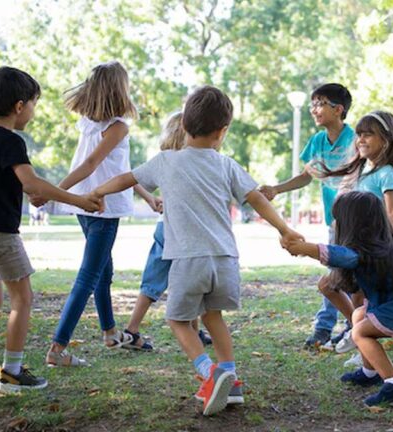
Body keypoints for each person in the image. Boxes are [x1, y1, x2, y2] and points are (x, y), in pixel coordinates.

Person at [91, 85, 303, 415]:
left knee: (177, 320)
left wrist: (98, 192)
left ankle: (210, 372)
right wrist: (285, 229)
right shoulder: (226, 164)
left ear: (184, 125)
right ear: (222, 132)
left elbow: (127, 179)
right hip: (225, 260)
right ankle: (231, 380)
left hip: (188, 259)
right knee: (213, 317)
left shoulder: (166, 161)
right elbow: (257, 198)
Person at [0, 66, 102, 396]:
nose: (33, 110)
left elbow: (13, 185)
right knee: (22, 299)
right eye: (33, 104)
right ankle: (11, 373)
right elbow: (31, 182)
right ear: (19, 106)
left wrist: (36, 192)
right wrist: (78, 200)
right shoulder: (11, 141)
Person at [41, 61, 162, 367]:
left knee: (103, 271)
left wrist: (148, 196)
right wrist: (52, 191)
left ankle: (110, 333)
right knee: (90, 275)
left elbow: (120, 170)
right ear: (120, 89)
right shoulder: (117, 126)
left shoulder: (89, 123)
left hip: (85, 204)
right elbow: (90, 165)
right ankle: (57, 348)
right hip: (101, 207)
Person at [284, 191, 393, 406]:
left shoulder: (366, 251)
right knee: (359, 316)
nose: (334, 224)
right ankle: (370, 372)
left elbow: (342, 255)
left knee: (360, 332)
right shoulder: (383, 245)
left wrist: (304, 249)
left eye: (338, 219)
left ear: (352, 224)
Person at [314, 110, 393, 356]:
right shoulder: (362, 171)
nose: (360, 139)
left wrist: (388, 246)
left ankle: (363, 349)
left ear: (386, 140)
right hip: (353, 245)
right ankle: (357, 333)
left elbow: (392, 212)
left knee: (357, 297)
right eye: (359, 134)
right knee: (330, 286)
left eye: (368, 134)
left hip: (371, 249)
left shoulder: (387, 174)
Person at [259, 83, 355, 348]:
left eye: (320, 104)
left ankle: (328, 327)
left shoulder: (355, 139)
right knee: (338, 273)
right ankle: (351, 325)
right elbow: (306, 176)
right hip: (334, 221)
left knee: (340, 274)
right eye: (313, 104)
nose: (314, 109)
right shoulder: (317, 142)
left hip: (356, 221)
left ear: (338, 109)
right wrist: (276, 189)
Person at [118, 112, 212, 351]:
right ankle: (192, 331)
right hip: (183, 230)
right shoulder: (196, 163)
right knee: (191, 277)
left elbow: (135, 178)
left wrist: (155, 200)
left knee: (155, 279)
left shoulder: (165, 161)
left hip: (164, 226)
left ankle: (133, 329)